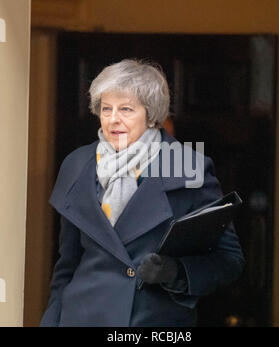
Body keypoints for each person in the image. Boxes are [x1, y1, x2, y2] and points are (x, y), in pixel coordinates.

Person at [40, 59, 245, 327]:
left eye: (126, 109)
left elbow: (229, 260)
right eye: (106, 108)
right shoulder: (77, 164)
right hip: (81, 317)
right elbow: (67, 264)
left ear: (151, 115)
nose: (113, 119)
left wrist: (176, 273)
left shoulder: (187, 166)